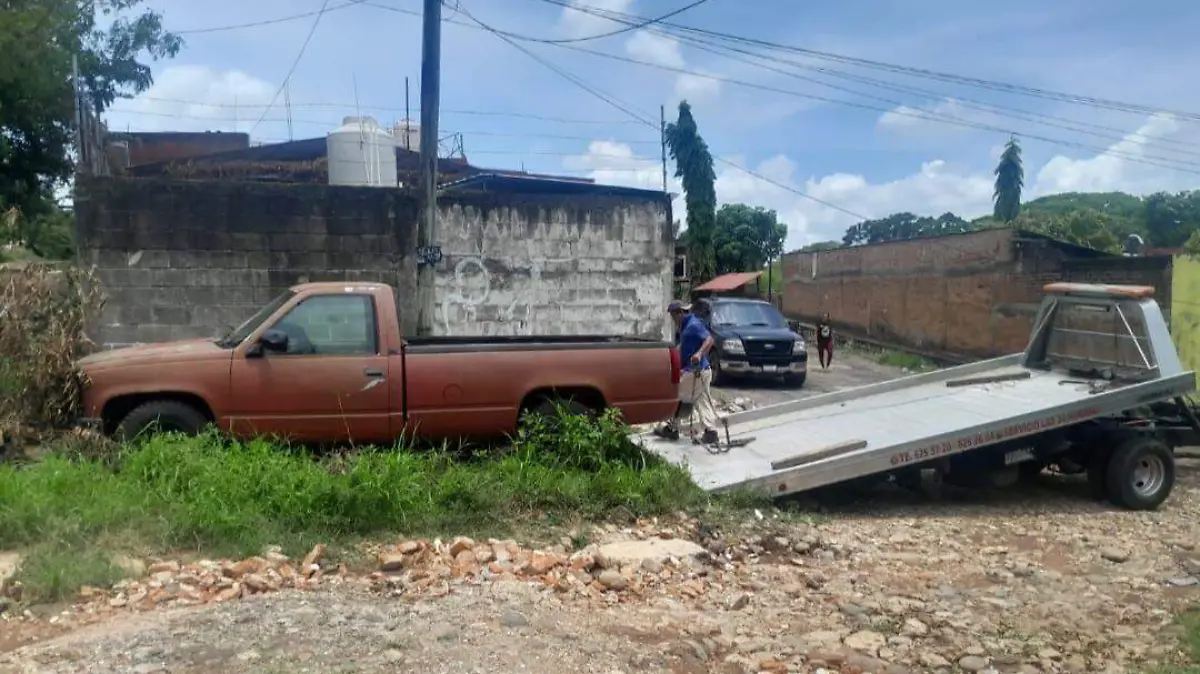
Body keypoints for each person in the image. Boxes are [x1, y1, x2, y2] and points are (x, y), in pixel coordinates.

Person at [654, 300, 719, 444]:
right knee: (698, 400)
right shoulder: (684, 327)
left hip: (697, 371)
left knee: (675, 394)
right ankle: (710, 432)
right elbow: (684, 346)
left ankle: (673, 428)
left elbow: (709, 340)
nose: (672, 319)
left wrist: (699, 354)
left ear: (680, 313)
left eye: (673, 316)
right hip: (697, 371)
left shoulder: (693, 324)